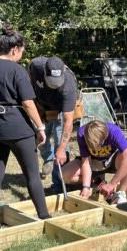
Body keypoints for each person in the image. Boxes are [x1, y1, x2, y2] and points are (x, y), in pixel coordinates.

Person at [0, 24, 50, 219]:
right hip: (19, 129)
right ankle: (44, 217)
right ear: (14, 50)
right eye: (21, 51)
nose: (21, 55)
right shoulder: (17, 70)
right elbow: (28, 103)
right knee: (32, 175)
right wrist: (40, 127)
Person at [28, 56, 77, 192]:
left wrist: (61, 149)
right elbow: (29, 79)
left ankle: (59, 185)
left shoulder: (68, 85)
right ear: (44, 72)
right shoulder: (36, 65)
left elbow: (68, 121)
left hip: (61, 110)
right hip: (42, 108)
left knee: (60, 147)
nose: (55, 85)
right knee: (40, 139)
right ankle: (48, 159)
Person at [62, 120, 127, 204]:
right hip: (93, 162)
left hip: (112, 160)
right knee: (64, 174)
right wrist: (86, 187)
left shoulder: (113, 131)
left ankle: (120, 193)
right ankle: (97, 182)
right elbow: (86, 162)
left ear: (104, 137)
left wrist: (112, 184)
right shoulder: (81, 133)